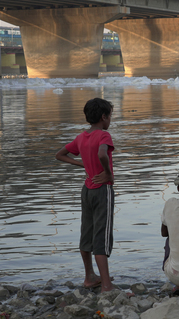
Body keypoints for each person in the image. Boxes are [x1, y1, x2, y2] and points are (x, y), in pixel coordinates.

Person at [55, 98, 115, 292]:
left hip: (86, 190)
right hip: (102, 189)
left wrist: (82, 165)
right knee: (102, 236)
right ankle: (106, 284)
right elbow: (102, 154)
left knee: (86, 232)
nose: (110, 120)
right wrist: (107, 172)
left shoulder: (81, 137)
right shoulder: (104, 135)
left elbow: (60, 154)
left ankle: (89, 277)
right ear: (104, 117)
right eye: (110, 116)